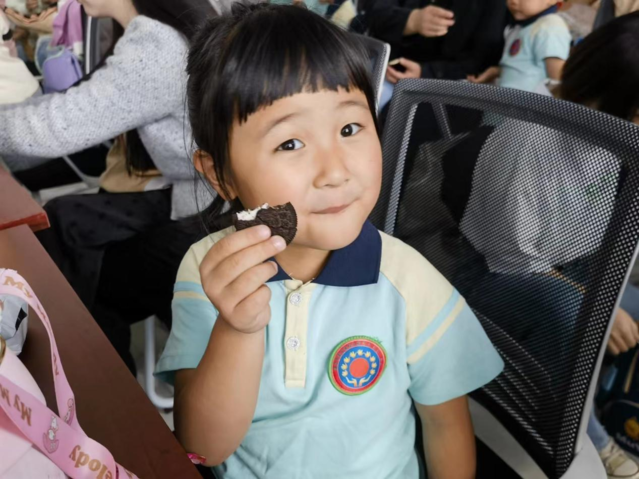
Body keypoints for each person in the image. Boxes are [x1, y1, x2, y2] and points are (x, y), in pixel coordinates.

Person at [155, 4, 503, 477]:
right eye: (290, 143)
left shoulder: (407, 281)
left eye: (349, 128)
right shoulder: (209, 271)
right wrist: (237, 329)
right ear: (222, 175)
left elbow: (446, 426)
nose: (335, 171)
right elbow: (203, 448)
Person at [455, 12, 639, 479]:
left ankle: (597, 399)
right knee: (576, 315)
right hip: (495, 273)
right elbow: (511, 258)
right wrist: (598, 306)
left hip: (571, 262)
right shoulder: (530, 138)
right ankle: (581, 428)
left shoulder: (613, 135)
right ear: (621, 101)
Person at [0, 0, 216, 374]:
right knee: (64, 223)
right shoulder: (162, 28)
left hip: (203, 211)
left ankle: (102, 384)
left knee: (78, 272)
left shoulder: (157, 45)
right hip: (195, 196)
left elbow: (57, 125)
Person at [367, 0, 506, 84]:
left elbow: (482, 61)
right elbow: (371, 15)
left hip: (442, 87)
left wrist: (427, 72)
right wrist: (412, 20)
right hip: (380, 68)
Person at [468, 0, 571, 94]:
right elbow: (520, 66)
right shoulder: (518, 28)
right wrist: (495, 72)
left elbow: (558, 78)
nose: (513, 1)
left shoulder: (551, 26)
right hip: (504, 104)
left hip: (527, 107)